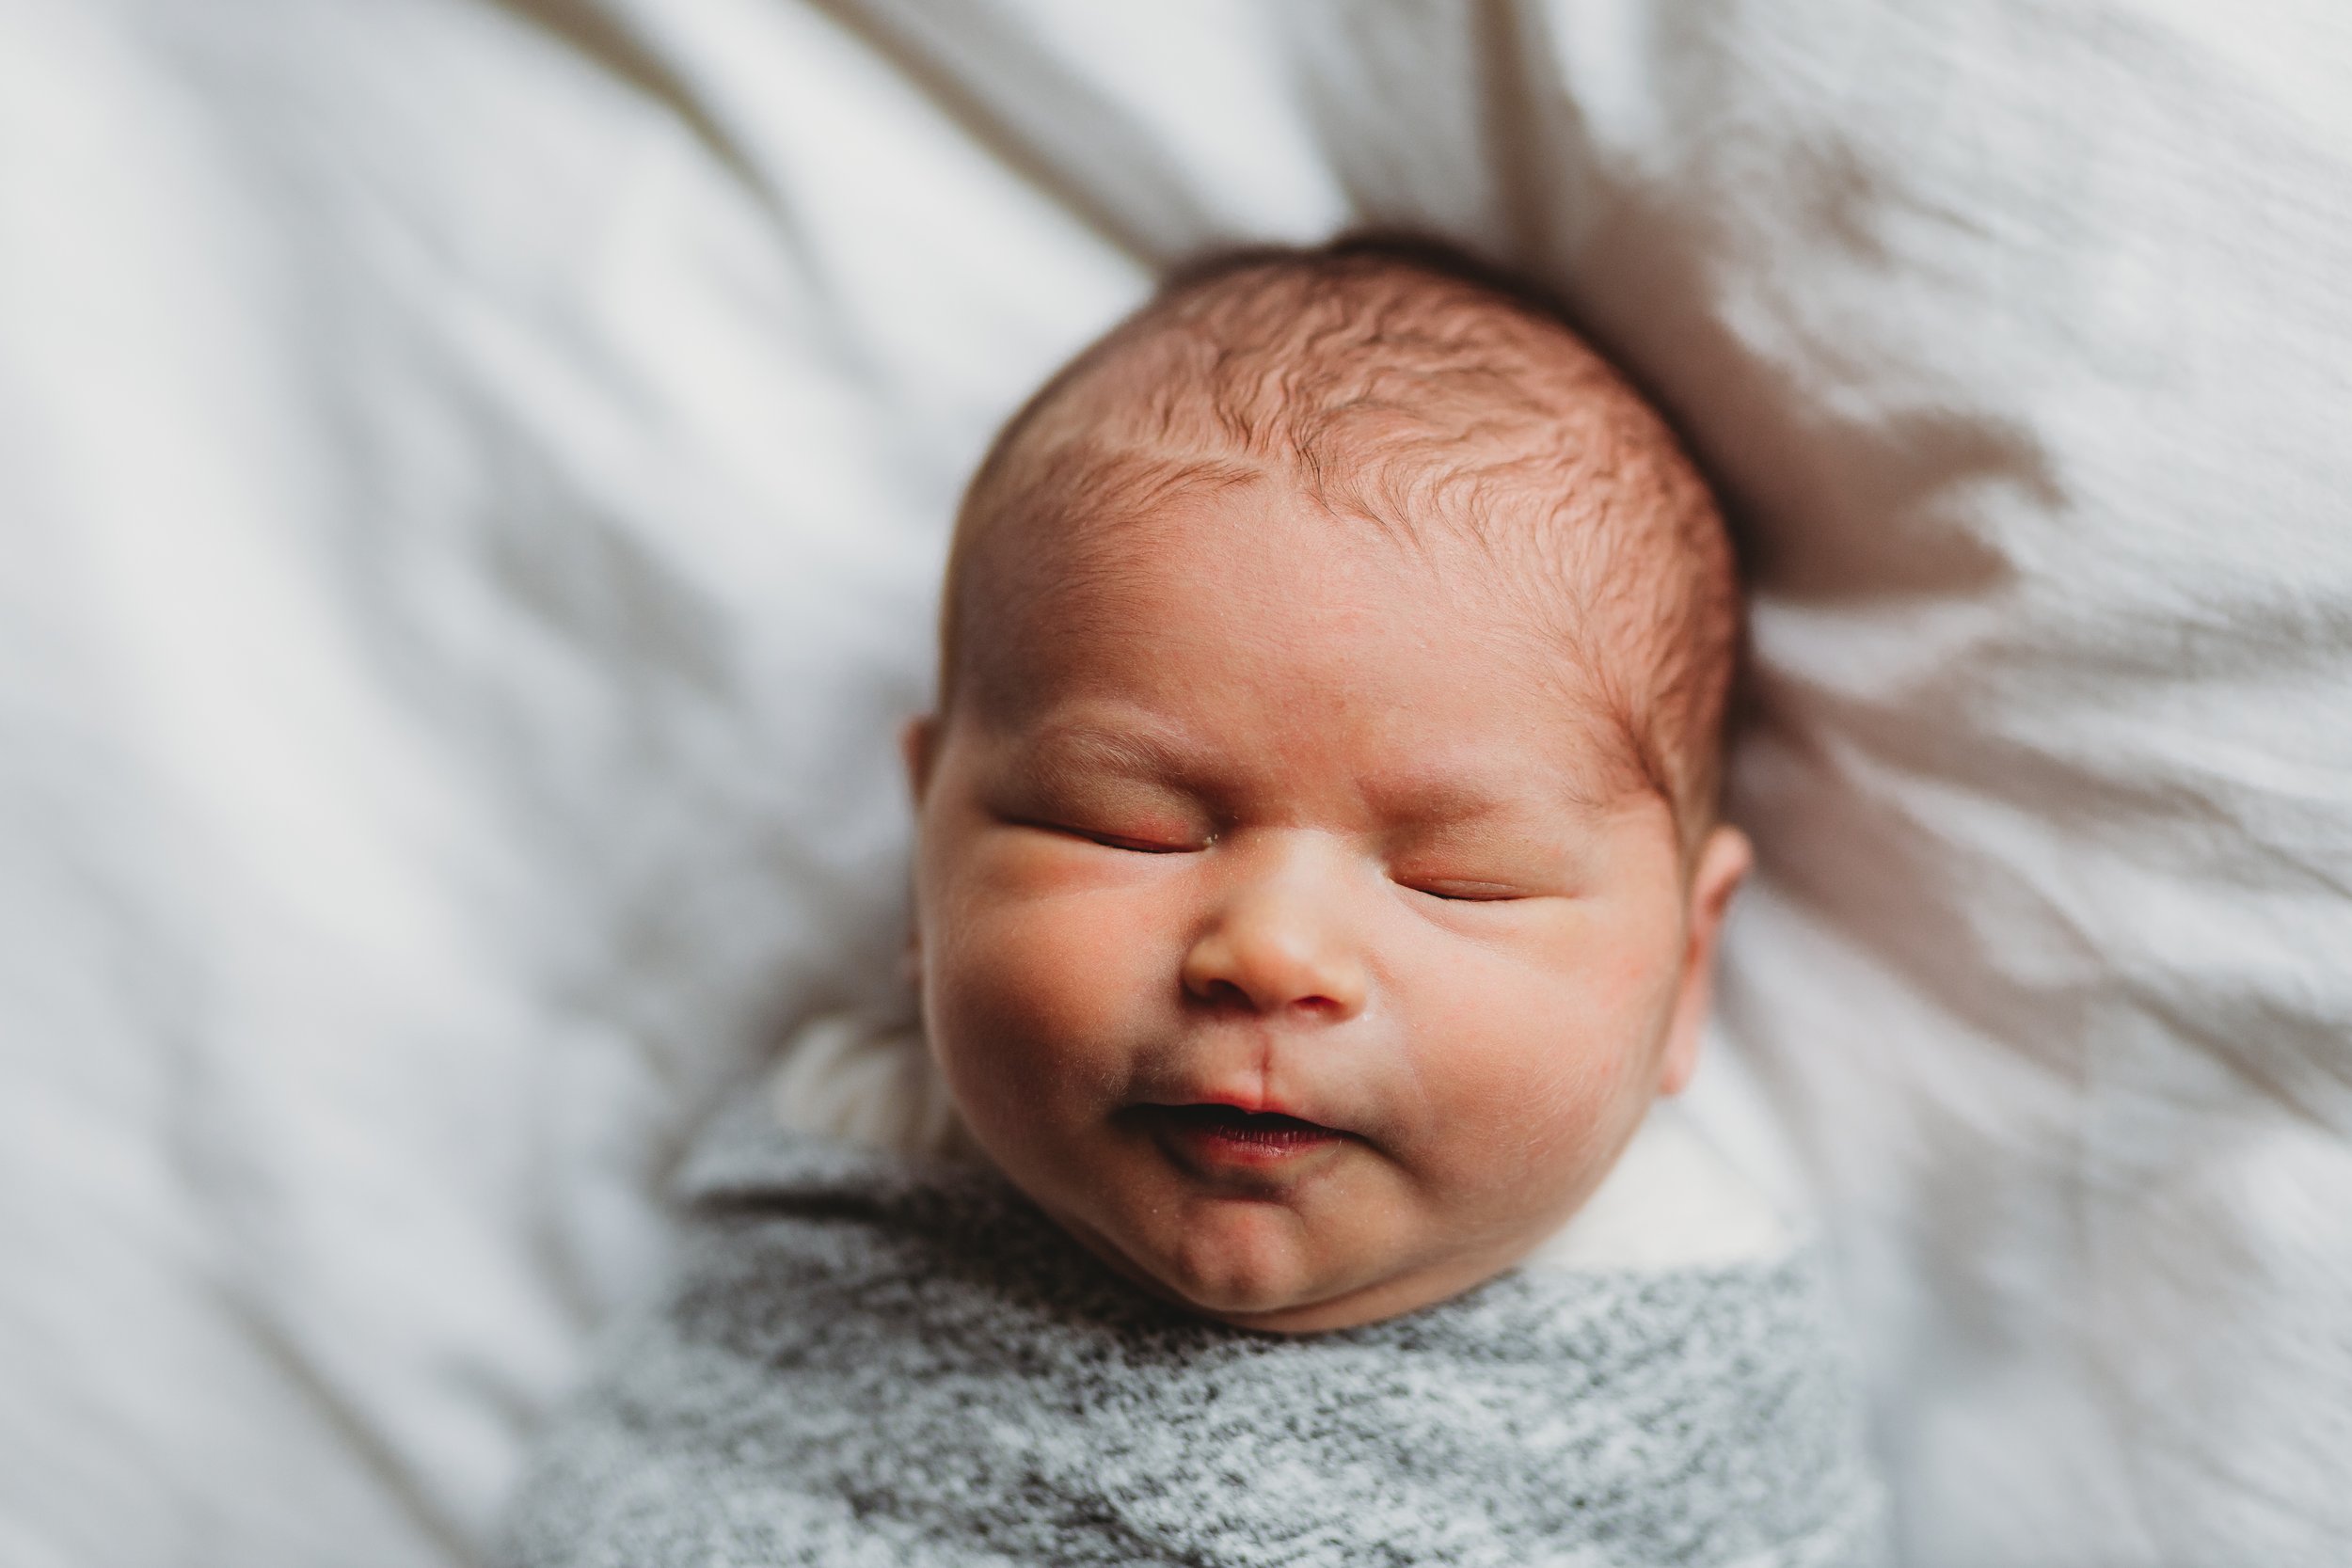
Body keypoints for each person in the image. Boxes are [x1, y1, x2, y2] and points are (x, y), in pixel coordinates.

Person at [502, 237, 1885, 1567]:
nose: (1272, 950)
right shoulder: (864, 1146)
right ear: (929, 849)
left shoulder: (1680, 1330)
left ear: (1687, 965)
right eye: (1132, 826)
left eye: (1457, 876)